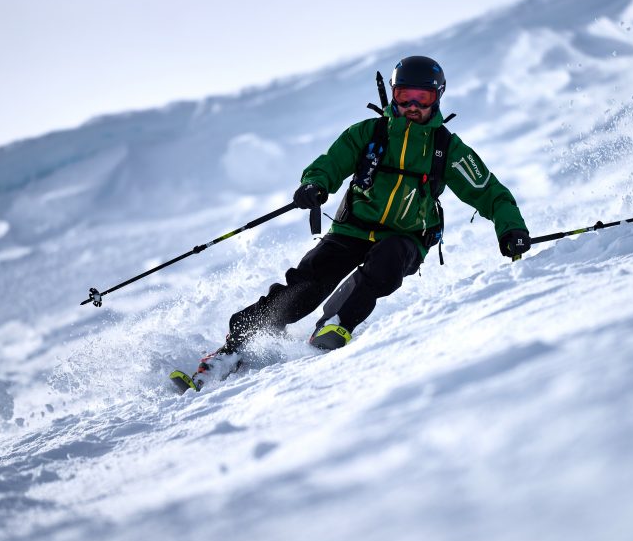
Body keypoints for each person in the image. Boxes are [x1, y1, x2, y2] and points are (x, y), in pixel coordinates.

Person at [192, 56, 531, 385]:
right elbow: (331, 163)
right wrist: (315, 185)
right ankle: (233, 347)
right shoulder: (368, 133)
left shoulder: (448, 149)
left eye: (423, 97)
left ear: (437, 98)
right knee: (306, 285)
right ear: (394, 96)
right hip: (352, 228)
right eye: (404, 96)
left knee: (387, 261)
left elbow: (490, 192)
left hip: (407, 236)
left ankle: (337, 323)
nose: (413, 106)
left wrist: (511, 228)